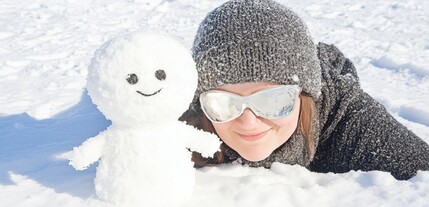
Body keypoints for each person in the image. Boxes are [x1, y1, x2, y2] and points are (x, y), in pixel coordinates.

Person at [180, 0, 429, 180]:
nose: (248, 122)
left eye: (273, 100)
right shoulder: (181, 122)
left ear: (303, 94)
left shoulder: (350, 119)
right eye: (225, 103)